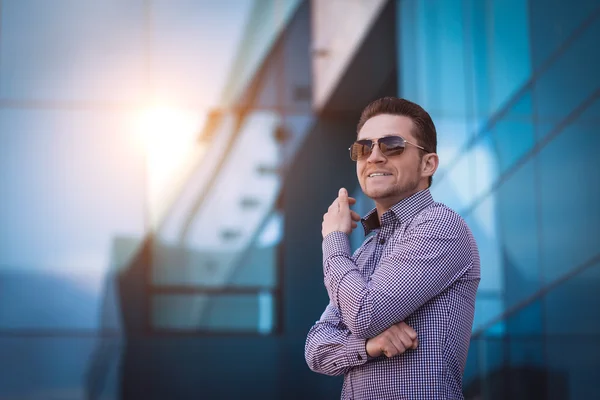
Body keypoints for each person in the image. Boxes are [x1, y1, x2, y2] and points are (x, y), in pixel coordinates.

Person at [305, 97, 480, 399]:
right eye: (364, 148)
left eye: (392, 145)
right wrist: (369, 346)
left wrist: (333, 237)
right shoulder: (363, 253)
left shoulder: (440, 226)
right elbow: (316, 349)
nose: (373, 157)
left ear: (428, 163)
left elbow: (364, 315)